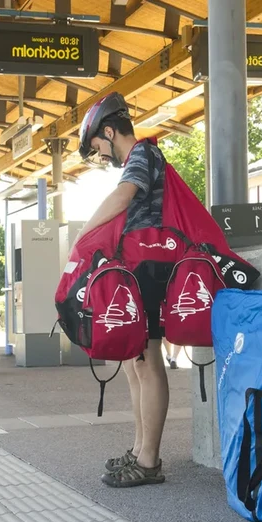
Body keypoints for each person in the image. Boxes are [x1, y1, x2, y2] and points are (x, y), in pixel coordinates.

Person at [75, 92, 171, 488]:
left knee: (148, 362)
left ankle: (149, 460)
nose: (101, 154)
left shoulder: (143, 156)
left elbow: (122, 197)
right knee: (135, 363)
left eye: (99, 145)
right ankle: (139, 447)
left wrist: (83, 235)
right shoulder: (138, 160)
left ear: (110, 131)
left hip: (152, 269)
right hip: (139, 268)